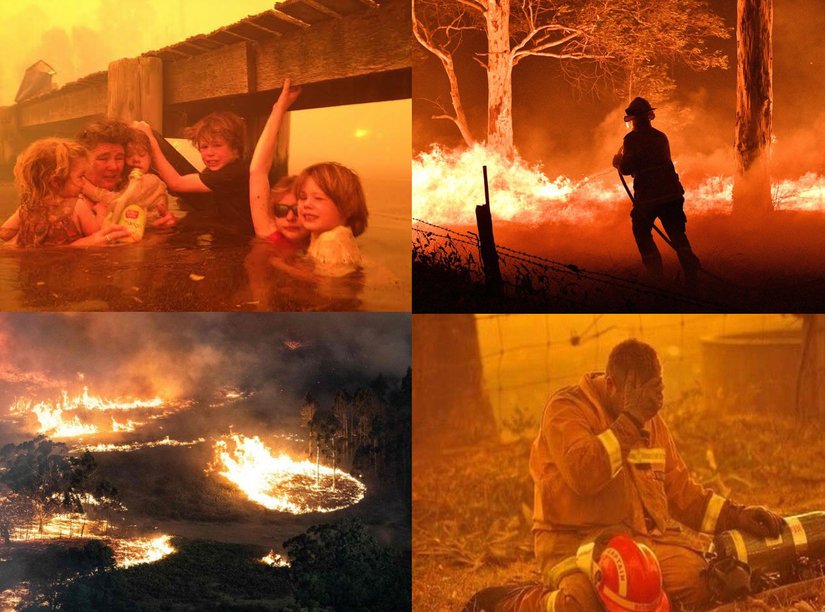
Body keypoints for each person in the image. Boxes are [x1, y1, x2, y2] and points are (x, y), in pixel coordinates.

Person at [466, 339, 784, 612]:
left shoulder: (649, 417)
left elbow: (682, 492)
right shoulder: (567, 410)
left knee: (699, 584)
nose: (649, 409)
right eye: (639, 396)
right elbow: (584, 474)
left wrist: (736, 515)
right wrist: (630, 419)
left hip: (641, 546)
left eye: (653, 394)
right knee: (580, 605)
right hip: (576, 545)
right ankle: (519, 600)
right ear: (611, 384)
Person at [612, 97, 700, 287]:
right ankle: (691, 273)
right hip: (671, 194)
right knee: (677, 235)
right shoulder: (661, 136)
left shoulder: (632, 139)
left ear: (634, 119)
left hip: (648, 197)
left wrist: (617, 162)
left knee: (641, 231)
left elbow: (627, 168)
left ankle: (656, 277)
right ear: (649, 117)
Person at [133, 109, 252, 234]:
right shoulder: (217, 171)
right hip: (223, 234)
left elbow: (176, 183)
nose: (209, 153)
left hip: (240, 243)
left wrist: (151, 139)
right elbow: (211, 215)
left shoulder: (236, 172)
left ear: (235, 148)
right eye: (204, 147)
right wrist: (177, 222)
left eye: (217, 145)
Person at [1, 138, 129, 247]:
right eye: (80, 177)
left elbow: (4, 234)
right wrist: (101, 211)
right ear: (56, 182)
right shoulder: (77, 206)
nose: (84, 183)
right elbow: (98, 233)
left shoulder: (27, 208)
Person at [248, 77, 309, 253]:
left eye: (298, 210)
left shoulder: (322, 247)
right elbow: (258, 171)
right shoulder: (270, 234)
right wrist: (279, 108)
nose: (290, 217)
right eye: (281, 210)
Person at [296, 161, 369, 276]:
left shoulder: (330, 241)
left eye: (318, 198)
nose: (307, 204)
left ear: (348, 208)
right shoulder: (336, 238)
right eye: (302, 197)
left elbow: (330, 289)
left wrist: (280, 265)